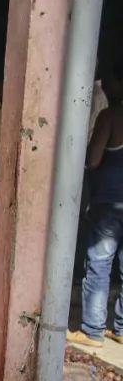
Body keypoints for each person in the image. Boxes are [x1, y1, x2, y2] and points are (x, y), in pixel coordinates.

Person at [68, 63, 123, 348]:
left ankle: (93, 331)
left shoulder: (110, 116)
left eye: (110, 81)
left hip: (109, 201)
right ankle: (122, 329)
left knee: (100, 265)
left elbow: (93, 160)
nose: (106, 87)